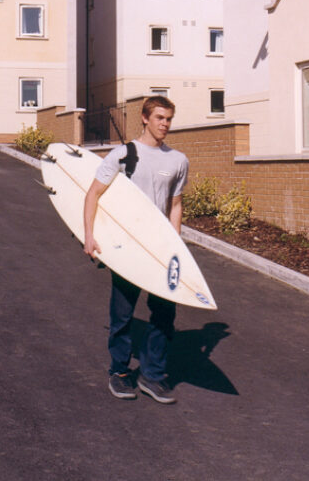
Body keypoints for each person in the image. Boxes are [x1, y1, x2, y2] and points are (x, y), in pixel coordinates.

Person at [83, 96, 189, 404]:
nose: (164, 124)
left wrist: (175, 246)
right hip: (126, 246)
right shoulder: (122, 154)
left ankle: (152, 376)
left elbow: (176, 205)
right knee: (123, 314)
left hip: (159, 249)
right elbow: (93, 195)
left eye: (168, 119)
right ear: (144, 118)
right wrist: (89, 236)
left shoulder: (178, 160)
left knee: (164, 315)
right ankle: (119, 372)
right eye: (158, 118)